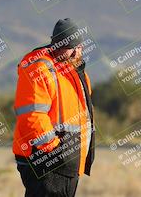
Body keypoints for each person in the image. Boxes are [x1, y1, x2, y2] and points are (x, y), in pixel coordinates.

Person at [12, 18, 95, 197]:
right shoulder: (40, 69)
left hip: (67, 162)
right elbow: (32, 116)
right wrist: (55, 149)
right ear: (57, 44)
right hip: (47, 162)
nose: (76, 52)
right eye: (71, 47)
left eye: (79, 47)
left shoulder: (75, 71)